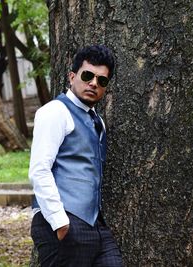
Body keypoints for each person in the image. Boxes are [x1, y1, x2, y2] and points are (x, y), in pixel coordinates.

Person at [29, 44, 123, 267]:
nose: (93, 83)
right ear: (72, 77)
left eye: (102, 80)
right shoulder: (54, 112)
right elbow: (39, 170)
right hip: (63, 222)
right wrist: (60, 223)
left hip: (94, 225)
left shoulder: (96, 121)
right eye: (88, 75)